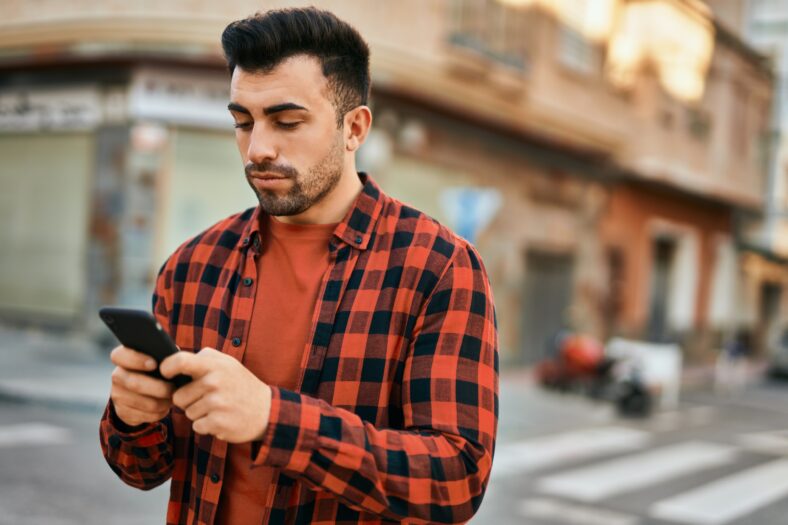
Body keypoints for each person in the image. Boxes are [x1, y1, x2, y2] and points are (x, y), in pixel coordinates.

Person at [99, 7, 498, 524]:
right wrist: (133, 419)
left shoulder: (438, 268)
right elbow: (142, 469)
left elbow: (455, 481)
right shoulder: (194, 265)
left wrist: (273, 419)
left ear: (354, 128)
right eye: (243, 123)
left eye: (287, 122)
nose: (257, 149)